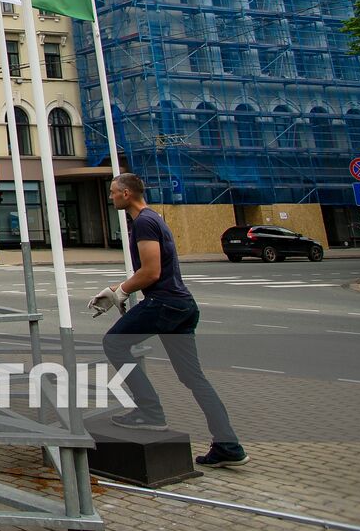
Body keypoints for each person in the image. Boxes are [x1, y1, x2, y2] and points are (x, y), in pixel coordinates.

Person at [90, 173, 248, 468]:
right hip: (182, 306)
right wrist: (115, 291)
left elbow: (151, 272)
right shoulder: (154, 218)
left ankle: (150, 412)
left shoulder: (144, 223)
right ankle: (228, 444)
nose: (110, 197)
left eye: (112, 193)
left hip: (164, 303)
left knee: (114, 343)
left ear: (126, 194)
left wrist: (120, 292)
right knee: (193, 378)